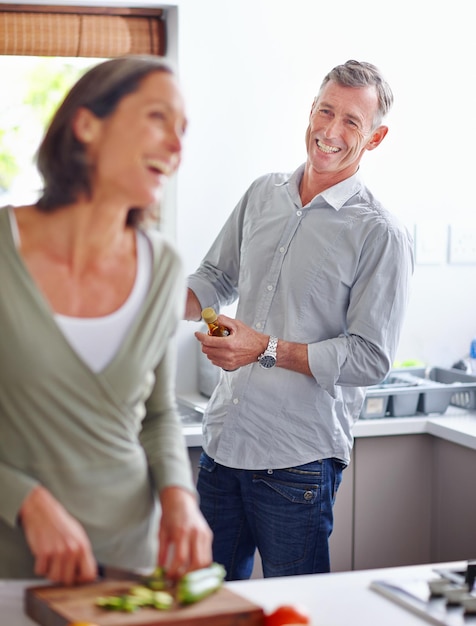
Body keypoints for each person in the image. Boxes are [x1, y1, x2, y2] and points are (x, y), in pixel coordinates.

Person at [185, 60, 414, 580]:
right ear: (310, 110)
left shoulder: (380, 233)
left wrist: (263, 348)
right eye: (326, 111)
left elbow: (370, 357)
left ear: (375, 138)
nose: (331, 131)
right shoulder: (263, 194)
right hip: (222, 447)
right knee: (205, 611)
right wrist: (143, 301)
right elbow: (215, 277)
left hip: (296, 464)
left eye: (352, 122)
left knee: (297, 612)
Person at [0, 55, 212, 584]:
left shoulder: (163, 266)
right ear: (87, 124)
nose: (177, 146)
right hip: (12, 566)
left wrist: (180, 499)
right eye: (158, 118)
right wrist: (25, 500)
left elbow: (158, 414)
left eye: (183, 130)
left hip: (129, 562)